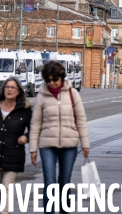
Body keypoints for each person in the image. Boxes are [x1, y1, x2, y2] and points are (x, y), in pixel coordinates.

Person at [30, 61, 89, 213]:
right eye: (48, 80)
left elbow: (81, 118)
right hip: (47, 144)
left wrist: (85, 143)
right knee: (49, 182)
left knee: (65, 181)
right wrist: (33, 149)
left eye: (54, 79)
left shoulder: (72, 93)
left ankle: (64, 210)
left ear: (61, 78)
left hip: (69, 144)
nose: (52, 83)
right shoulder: (41, 95)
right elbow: (35, 123)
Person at [0, 76, 32, 214]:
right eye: (7, 87)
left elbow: (35, 130)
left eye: (13, 87)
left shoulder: (24, 109)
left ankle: (5, 212)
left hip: (13, 154)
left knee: (7, 186)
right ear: (3, 90)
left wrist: (25, 137)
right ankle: (3, 210)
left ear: (19, 91)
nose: (9, 89)